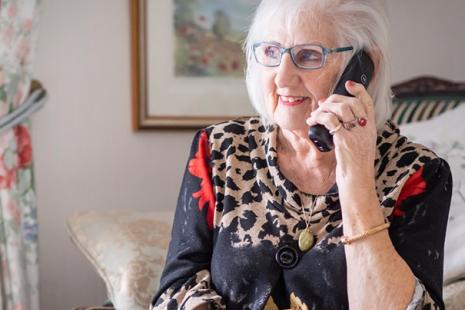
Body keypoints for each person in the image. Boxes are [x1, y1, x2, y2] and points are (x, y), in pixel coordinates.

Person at [151, 1, 452, 309]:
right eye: (270, 52)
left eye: (308, 55)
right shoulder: (220, 149)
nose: (282, 78)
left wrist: (356, 176)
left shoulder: (418, 173)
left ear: (365, 66)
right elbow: (178, 285)